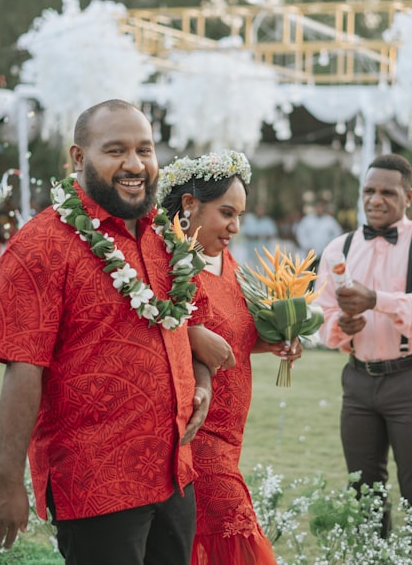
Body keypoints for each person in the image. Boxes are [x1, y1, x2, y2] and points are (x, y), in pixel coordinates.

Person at [0, 100, 234, 564]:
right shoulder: (41, 245)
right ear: (78, 158)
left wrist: (202, 381)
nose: (135, 164)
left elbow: (186, 324)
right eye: (116, 150)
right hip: (97, 480)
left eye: (145, 150)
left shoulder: (167, 237)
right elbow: (22, 369)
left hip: (175, 472)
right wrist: (7, 481)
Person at [160, 151, 297, 565]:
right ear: (188, 205)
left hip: (231, 432)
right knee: (238, 537)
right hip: (196, 429)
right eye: (226, 213)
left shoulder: (226, 260)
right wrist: (191, 333)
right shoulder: (167, 261)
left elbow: (231, 336)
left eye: (239, 214)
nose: (236, 226)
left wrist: (272, 341)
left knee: (200, 541)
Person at [314, 154, 412, 542]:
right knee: (364, 491)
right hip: (358, 381)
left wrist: (377, 299)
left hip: (410, 379)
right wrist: (340, 326)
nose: (376, 200)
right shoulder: (338, 248)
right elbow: (321, 313)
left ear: (408, 196)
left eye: (387, 193)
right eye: (369, 191)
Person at [296, 200, 343, 268]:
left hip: (324, 253)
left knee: (323, 272)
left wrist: (330, 245)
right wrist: (306, 246)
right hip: (309, 253)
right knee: (310, 272)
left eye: (321, 208)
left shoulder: (330, 221)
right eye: (318, 207)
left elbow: (338, 233)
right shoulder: (307, 220)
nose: (319, 209)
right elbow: (300, 233)